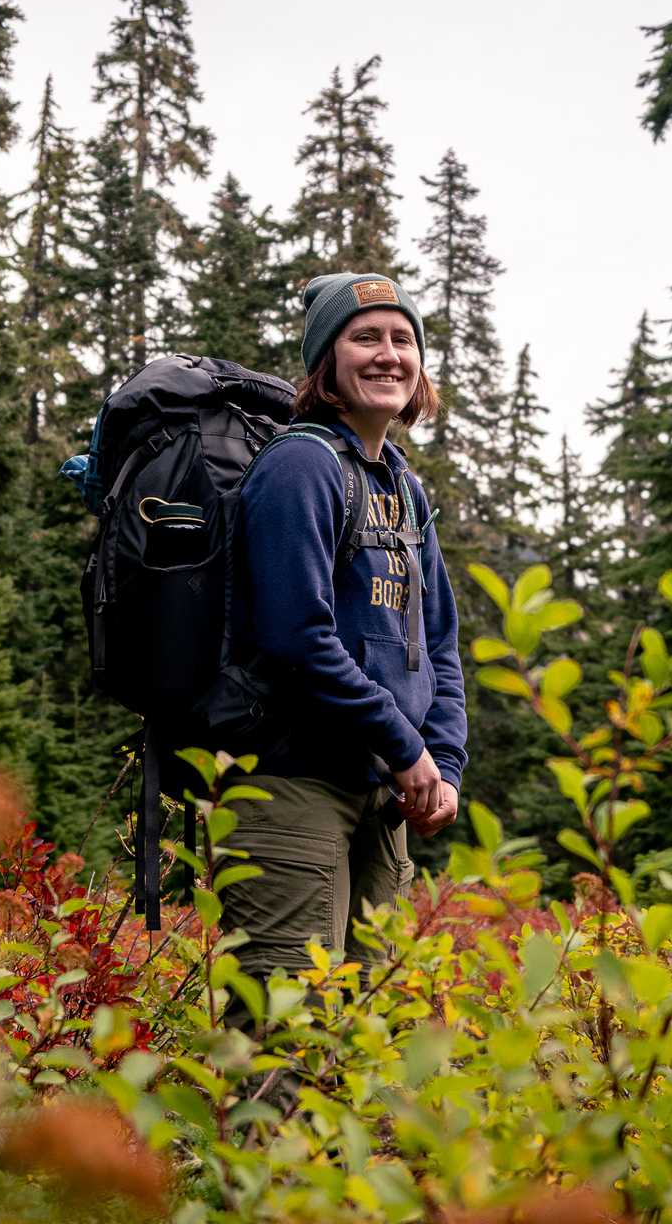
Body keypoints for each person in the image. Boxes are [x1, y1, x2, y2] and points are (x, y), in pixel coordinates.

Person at [220, 271, 468, 987]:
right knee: (285, 1029)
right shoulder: (300, 467)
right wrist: (405, 748)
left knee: (370, 1037)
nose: (388, 354)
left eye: (403, 339)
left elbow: (438, 645)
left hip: (385, 794)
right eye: (364, 338)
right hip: (293, 784)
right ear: (326, 361)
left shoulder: (403, 484)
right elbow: (297, 636)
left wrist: (442, 765)